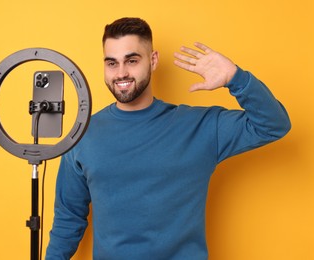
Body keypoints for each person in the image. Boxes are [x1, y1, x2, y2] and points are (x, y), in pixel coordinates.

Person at [45, 17, 291, 260]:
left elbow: (273, 125)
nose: (121, 73)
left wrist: (235, 78)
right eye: (112, 63)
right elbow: (69, 217)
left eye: (131, 60)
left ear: (153, 61)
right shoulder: (84, 134)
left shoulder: (199, 126)